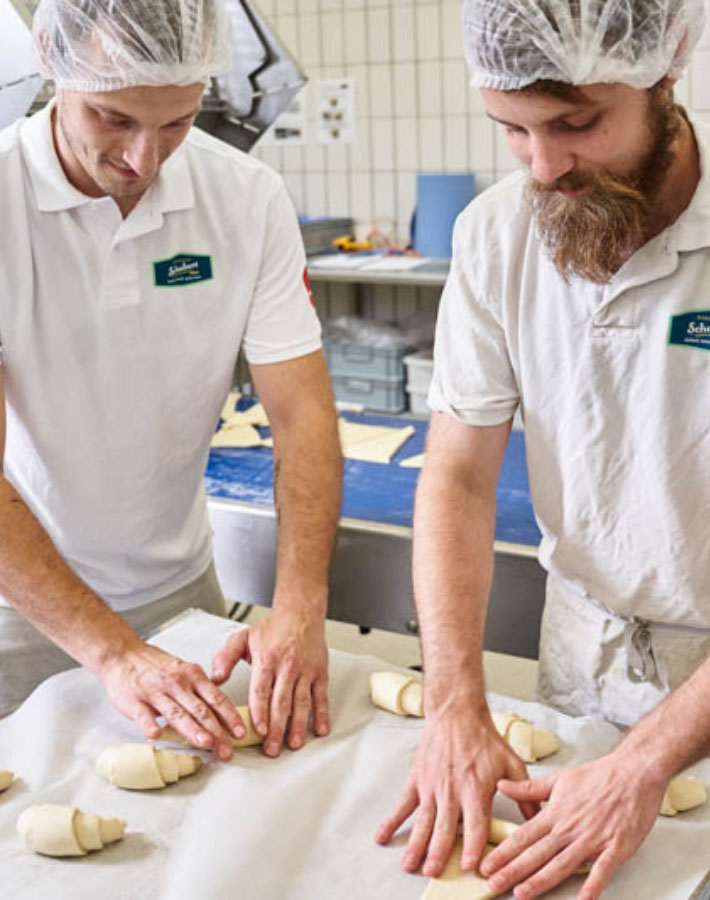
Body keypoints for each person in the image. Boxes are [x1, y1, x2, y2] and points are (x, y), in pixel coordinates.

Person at [376, 1, 710, 897]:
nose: (544, 166)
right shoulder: (497, 234)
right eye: (511, 131)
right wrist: (453, 700)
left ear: (663, 75)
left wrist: (644, 767)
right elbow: (456, 474)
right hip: (583, 647)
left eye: (576, 123)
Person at [0, 0, 342, 764]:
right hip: (19, 614)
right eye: (114, 118)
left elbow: (303, 413)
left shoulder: (245, 199)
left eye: (179, 122)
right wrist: (113, 654)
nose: (145, 160)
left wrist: (300, 604)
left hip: (182, 594)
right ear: (54, 64)